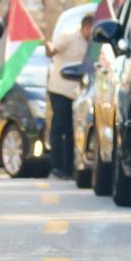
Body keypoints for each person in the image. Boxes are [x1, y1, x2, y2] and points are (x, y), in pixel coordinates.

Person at [45, 14, 93, 178]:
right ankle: (56, 166)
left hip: (80, 93)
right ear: (85, 26)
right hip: (61, 89)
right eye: (90, 29)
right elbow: (53, 49)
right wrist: (49, 47)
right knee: (60, 126)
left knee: (74, 129)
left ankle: (69, 167)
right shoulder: (69, 37)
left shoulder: (94, 44)